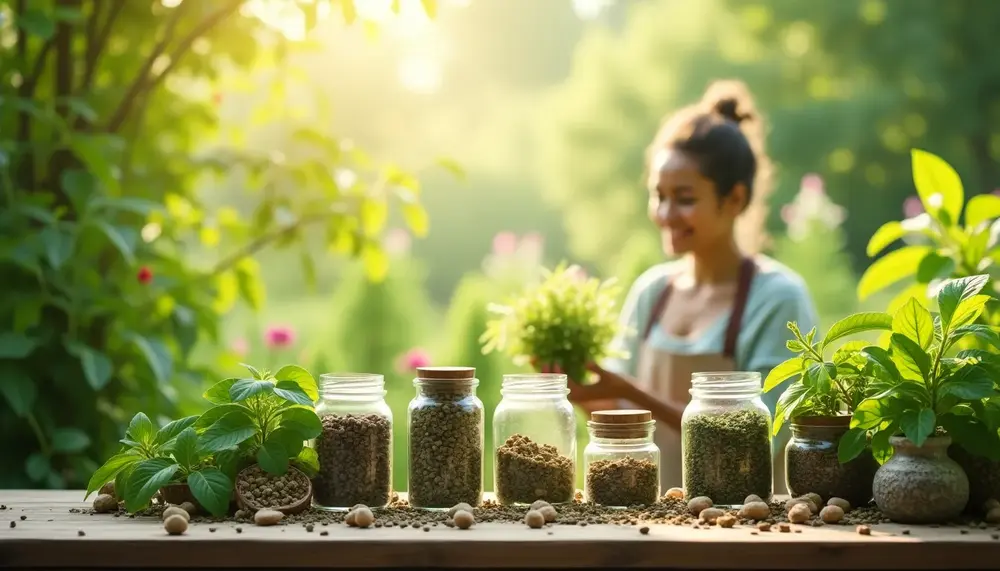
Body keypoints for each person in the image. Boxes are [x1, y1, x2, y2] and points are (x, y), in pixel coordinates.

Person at [556, 79, 818, 495]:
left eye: (684, 198)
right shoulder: (652, 292)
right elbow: (623, 418)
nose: (664, 213)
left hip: (742, 520)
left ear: (734, 199)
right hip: (651, 516)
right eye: (658, 195)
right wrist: (574, 388)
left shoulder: (777, 297)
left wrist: (631, 390)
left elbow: (757, 436)